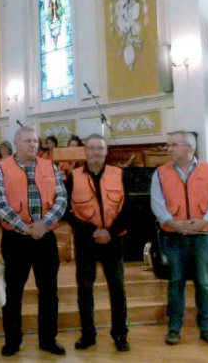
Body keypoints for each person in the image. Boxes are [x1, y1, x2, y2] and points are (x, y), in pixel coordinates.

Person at [0, 126, 68, 357]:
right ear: (16, 144)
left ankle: (48, 339)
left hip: (45, 237)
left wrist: (44, 225)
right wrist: (24, 227)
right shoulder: (1, 169)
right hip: (16, 239)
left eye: (35, 141)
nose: (33, 145)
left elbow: (61, 198)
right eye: (27, 141)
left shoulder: (49, 166)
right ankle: (12, 341)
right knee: (13, 292)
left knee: (49, 291)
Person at [64, 134, 129, 352]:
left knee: (117, 289)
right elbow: (67, 211)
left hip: (113, 240)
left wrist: (110, 232)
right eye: (91, 148)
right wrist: (92, 231)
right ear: (85, 151)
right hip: (86, 240)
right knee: (85, 288)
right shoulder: (72, 177)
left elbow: (128, 207)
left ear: (106, 151)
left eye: (100, 148)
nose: (95, 152)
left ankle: (120, 334)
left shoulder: (119, 174)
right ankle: (88, 334)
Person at [150, 130, 208, 346]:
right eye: (169, 145)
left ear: (189, 147)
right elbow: (157, 203)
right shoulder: (160, 173)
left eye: (173, 144)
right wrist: (172, 222)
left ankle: (207, 327)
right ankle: (174, 328)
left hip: (203, 236)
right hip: (173, 237)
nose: (169, 148)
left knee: (204, 283)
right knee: (176, 282)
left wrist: (205, 221)